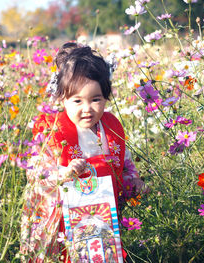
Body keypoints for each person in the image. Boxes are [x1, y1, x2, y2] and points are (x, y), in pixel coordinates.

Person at [20, 43, 144, 263]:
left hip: (105, 217)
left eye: (96, 99)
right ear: (62, 99)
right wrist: (64, 173)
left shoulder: (111, 127)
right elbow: (37, 173)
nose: (87, 108)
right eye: (77, 101)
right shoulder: (52, 130)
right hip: (65, 220)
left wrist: (133, 182)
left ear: (106, 97)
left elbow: (124, 165)